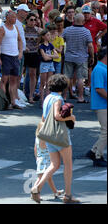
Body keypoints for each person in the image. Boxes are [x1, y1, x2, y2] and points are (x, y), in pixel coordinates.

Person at [30, 74, 79, 204]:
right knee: (68, 165)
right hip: (60, 135)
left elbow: (44, 117)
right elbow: (57, 116)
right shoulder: (58, 99)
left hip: (49, 136)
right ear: (63, 87)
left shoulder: (47, 98)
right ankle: (68, 195)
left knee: (54, 164)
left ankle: (37, 187)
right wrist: (71, 118)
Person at [62, 13, 94, 102]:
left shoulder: (67, 30)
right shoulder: (86, 31)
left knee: (67, 77)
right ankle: (80, 97)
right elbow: (90, 46)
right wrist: (92, 56)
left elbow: (61, 41)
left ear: (74, 20)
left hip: (69, 57)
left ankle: (64, 96)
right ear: (83, 21)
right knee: (80, 78)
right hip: (82, 58)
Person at [0, 9, 24, 109]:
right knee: (4, 80)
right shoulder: (2, 29)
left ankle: (13, 101)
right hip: (5, 56)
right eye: (12, 17)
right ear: (7, 18)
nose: (14, 19)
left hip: (15, 56)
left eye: (15, 17)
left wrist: (20, 52)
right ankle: (4, 101)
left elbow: (19, 40)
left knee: (14, 80)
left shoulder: (15, 27)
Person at [33, 121, 64, 200]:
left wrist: (37, 158)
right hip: (45, 160)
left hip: (40, 159)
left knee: (48, 177)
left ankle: (55, 192)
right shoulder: (44, 139)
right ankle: (35, 191)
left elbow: (35, 149)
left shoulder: (37, 138)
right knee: (41, 178)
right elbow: (45, 147)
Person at [87, 48, 107, 167]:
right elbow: (99, 89)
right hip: (102, 104)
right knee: (106, 131)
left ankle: (94, 151)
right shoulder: (99, 69)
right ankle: (97, 156)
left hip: (103, 104)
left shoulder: (101, 68)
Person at [23, 13, 41, 103]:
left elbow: (45, 37)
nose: (33, 22)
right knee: (21, 74)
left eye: (35, 20)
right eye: (31, 20)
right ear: (27, 20)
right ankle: (22, 94)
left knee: (33, 74)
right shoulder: (23, 29)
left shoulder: (38, 30)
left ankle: (31, 95)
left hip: (34, 53)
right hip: (25, 53)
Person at [38, 29, 59, 103]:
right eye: (47, 35)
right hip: (44, 64)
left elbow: (57, 56)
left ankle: (47, 99)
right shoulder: (41, 46)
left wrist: (49, 55)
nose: (49, 36)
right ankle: (42, 99)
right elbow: (45, 58)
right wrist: (51, 56)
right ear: (43, 37)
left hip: (50, 64)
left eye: (49, 35)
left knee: (49, 82)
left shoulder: (50, 45)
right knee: (43, 82)